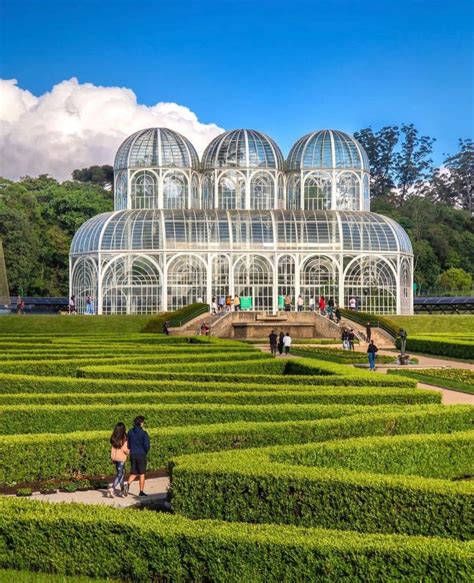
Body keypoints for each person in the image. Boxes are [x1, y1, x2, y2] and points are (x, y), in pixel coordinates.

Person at [124, 416, 150, 497]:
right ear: (141, 423)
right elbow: (147, 446)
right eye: (143, 422)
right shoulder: (144, 433)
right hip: (141, 454)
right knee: (142, 473)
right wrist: (145, 452)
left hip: (133, 454)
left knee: (134, 472)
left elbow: (128, 444)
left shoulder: (130, 432)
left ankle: (127, 484)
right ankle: (141, 491)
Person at [108, 422, 129, 498]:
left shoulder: (114, 437)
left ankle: (123, 491)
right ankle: (112, 488)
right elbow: (125, 449)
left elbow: (112, 449)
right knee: (120, 474)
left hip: (115, 458)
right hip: (121, 459)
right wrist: (129, 451)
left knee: (122, 473)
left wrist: (112, 458)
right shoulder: (123, 438)